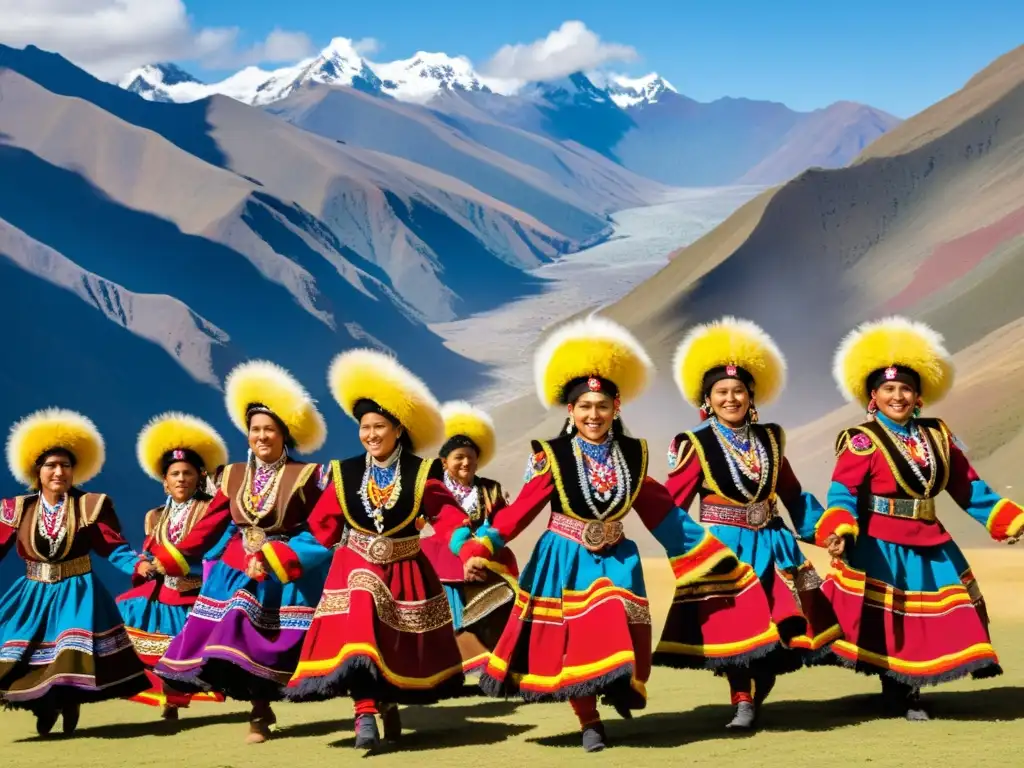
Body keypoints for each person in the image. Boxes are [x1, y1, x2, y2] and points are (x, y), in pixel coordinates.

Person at [455, 315, 745, 753]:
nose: (594, 414)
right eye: (585, 407)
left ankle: (619, 686)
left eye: (602, 406)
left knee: (619, 625)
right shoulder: (551, 456)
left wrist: (707, 552)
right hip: (565, 556)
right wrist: (483, 545)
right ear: (571, 411)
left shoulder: (633, 453)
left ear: (616, 407)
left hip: (617, 557)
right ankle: (589, 721)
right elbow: (521, 510)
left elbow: (660, 510)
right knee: (579, 641)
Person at [817, 316, 1023, 720]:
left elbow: (967, 486)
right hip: (880, 542)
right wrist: (840, 527)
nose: (898, 396)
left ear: (918, 396)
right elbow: (842, 490)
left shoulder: (939, 436)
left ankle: (909, 688)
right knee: (894, 620)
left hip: (930, 539)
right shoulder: (862, 440)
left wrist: (1007, 519)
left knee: (930, 620)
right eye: (889, 389)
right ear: (873, 396)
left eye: (906, 388)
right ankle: (898, 691)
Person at [654, 316, 841, 730]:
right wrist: (687, 552)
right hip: (727, 548)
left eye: (738, 390)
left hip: (775, 544)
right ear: (708, 399)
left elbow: (793, 495)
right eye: (721, 392)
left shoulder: (771, 440)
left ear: (750, 395)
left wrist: (826, 533)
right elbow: (673, 504)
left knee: (783, 630)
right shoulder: (695, 444)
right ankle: (741, 699)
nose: (731, 397)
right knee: (739, 629)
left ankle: (756, 696)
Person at [284, 349, 471, 750]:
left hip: (405, 568)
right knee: (361, 623)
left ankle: (385, 701)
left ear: (398, 430)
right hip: (355, 564)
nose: (370, 434)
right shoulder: (344, 472)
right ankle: (364, 712)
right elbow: (322, 528)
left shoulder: (422, 473)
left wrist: (468, 546)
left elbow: (449, 517)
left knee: (391, 646)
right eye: (365, 427)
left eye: (379, 426)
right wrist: (281, 557)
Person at [150, 360, 331, 744]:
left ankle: (373, 703)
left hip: (286, 574)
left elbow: (324, 529)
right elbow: (212, 524)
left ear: (285, 434)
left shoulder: (309, 476)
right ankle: (259, 712)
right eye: (255, 430)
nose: (261, 436)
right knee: (233, 630)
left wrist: (280, 556)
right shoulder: (230, 475)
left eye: (269, 429)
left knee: (294, 646)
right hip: (237, 570)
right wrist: (173, 558)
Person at [0, 408, 148, 735]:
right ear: (37, 471)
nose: (58, 472)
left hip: (77, 590)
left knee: (68, 650)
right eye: (51, 465)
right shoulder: (16, 509)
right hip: (33, 590)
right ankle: (44, 704)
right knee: (18, 651)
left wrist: (139, 564)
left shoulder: (89, 505)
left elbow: (113, 546)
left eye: (65, 466)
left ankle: (68, 701)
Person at [116, 411, 229, 720]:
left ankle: (178, 701)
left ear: (199, 478)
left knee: (191, 656)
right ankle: (167, 702)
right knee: (132, 627)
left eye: (188, 473)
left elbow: (214, 550)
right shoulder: (154, 517)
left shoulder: (211, 511)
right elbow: (148, 553)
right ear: (165, 483)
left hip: (198, 594)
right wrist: (143, 566)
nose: (181, 479)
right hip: (165, 595)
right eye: (175, 474)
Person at [421, 400, 519, 675]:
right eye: (458, 457)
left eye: (471, 456)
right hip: (444, 559)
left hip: (487, 557)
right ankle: (450, 667)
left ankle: (497, 662)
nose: (466, 462)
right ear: (444, 462)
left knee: (503, 603)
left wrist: (485, 540)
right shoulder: (432, 490)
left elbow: (504, 522)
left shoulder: (491, 489)